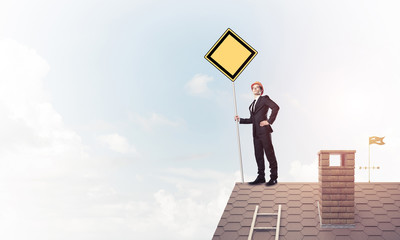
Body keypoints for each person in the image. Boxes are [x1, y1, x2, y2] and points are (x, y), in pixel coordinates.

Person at [234, 81, 280, 186]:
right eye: (253, 88)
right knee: (258, 155)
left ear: (261, 90)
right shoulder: (252, 105)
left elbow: (276, 107)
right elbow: (252, 119)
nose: (255, 89)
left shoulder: (264, 99)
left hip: (264, 131)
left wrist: (269, 121)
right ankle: (261, 177)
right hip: (255, 133)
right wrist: (240, 119)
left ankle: (273, 178)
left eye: (257, 87)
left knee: (269, 154)